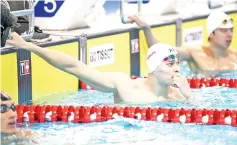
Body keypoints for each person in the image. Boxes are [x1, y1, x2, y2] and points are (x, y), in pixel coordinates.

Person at [6, 32, 194, 103]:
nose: (177, 68)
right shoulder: (125, 85)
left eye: (177, 63)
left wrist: (190, 97)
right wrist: (29, 46)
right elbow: (74, 67)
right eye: (170, 64)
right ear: (153, 67)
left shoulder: (178, 96)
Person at [127, 11, 237, 77]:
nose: (229, 34)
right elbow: (161, 50)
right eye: (223, 31)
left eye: (231, 30)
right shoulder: (196, 53)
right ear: (211, 33)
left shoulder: (235, 56)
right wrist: (147, 29)